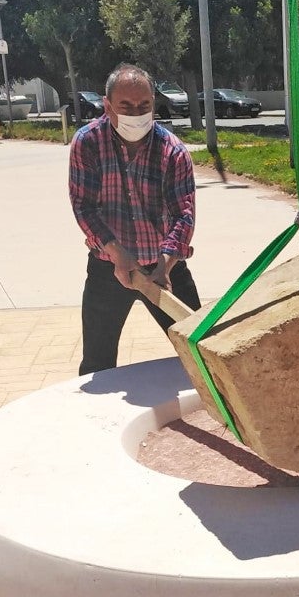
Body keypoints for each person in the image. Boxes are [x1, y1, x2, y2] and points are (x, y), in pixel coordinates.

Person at [69, 63, 200, 375]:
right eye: (125, 106)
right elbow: (84, 207)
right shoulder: (87, 142)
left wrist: (164, 265)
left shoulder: (173, 150)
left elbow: (184, 214)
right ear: (107, 105)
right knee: (97, 366)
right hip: (107, 270)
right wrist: (118, 254)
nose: (135, 113)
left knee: (201, 350)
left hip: (165, 270)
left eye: (144, 105)